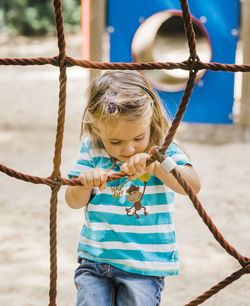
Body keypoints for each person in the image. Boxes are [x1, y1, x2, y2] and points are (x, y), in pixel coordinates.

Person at [65, 70, 201, 306]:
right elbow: (73, 201)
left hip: (144, 263)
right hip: (95, 259)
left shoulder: (161, 146)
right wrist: (86, 182)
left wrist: (157, 164)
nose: (128, 149)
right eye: (115, 142)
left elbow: (193, 185)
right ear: (98, 130)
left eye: (138, 138)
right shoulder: (93, 148)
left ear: (150, 122)